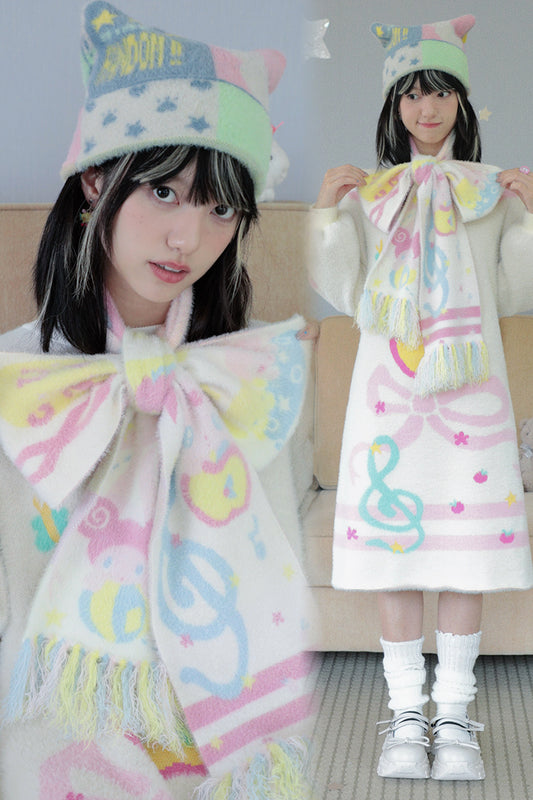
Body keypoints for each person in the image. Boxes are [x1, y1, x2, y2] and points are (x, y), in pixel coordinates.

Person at [0, 3, 317, 798]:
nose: (189, 238)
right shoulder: (22, 381)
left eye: (220, 207)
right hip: (54, 728)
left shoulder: (241, 375)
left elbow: (274, 584)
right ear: (96, 178)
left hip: (214, 735)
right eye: (165, 191)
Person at [309, 15, 533, 782]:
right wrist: (327, 213)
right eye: (410, 94)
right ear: (393, 106)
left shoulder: (490, 192)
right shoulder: (371, 196)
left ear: (460, 102)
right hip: (389, 399)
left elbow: (513, 292)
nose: (425, 108)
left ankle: (454, 716)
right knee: (394, 560)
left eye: (438, 92)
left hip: (470, 396)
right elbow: (344, 292)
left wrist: (529, 220)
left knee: (465, 562)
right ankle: (405, 714)